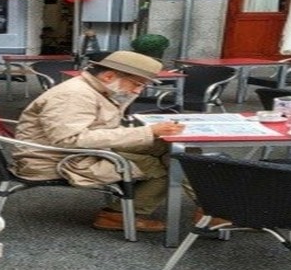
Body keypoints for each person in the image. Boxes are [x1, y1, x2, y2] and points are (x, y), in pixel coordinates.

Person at [11, 51, 185, 232]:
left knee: (164, 147)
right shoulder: (75, 94)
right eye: (137, 84)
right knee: (166, 166)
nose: (138, 91)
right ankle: (117, 216)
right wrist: (146, 132)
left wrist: (147, 133)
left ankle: (205, 206)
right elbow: (69, 139)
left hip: (77, 152)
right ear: (109, 76)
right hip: (55, 161)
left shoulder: (96, 88)